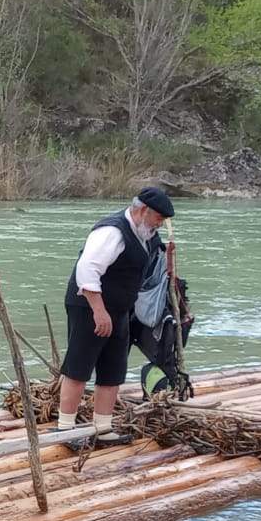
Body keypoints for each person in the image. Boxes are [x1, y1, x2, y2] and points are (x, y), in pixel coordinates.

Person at [56, 187, 174, 442]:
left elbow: (150, 270)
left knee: (113, 368)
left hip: (120, 309)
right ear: (143, 210)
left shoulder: (147, 235)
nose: (160, 224)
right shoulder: (112, 231)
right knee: (79, 365)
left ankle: (103, 428)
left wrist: (168, 260)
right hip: (88, 305)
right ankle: (65, 429)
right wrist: (99, 311)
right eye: (158, 218)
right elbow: (87, 270)